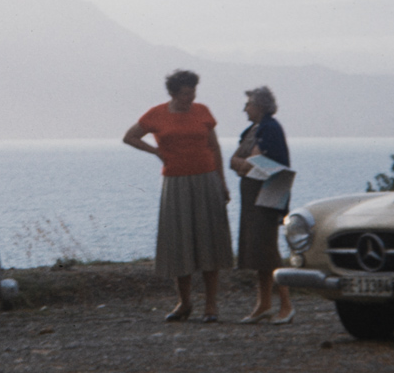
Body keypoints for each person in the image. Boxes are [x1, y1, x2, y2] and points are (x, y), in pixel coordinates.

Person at [123, 69, 233, 322]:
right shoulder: (156, 114)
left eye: (193, 92)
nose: (191, 97)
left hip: (206, 180)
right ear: (173, 93)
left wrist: (222, 182)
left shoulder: (202, 111)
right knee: (179, 243)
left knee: (209, 242)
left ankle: (211, 306)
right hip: (175, 183)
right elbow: (130, 137)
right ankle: (184, 303)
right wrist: (156, 152)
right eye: (185, 93)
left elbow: (214, 147)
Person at [231, 86, 294, 324]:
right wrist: (243, 163)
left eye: (248, 104)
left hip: (268, 195)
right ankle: (264, 304)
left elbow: (250, 163)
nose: (244, 109)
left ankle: (286, 305)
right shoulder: (252, 130)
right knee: (258, 251)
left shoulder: (269, 128)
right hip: (254, 196)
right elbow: (234, 161)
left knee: (268, 251)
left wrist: (243, 163)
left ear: (259, 106)